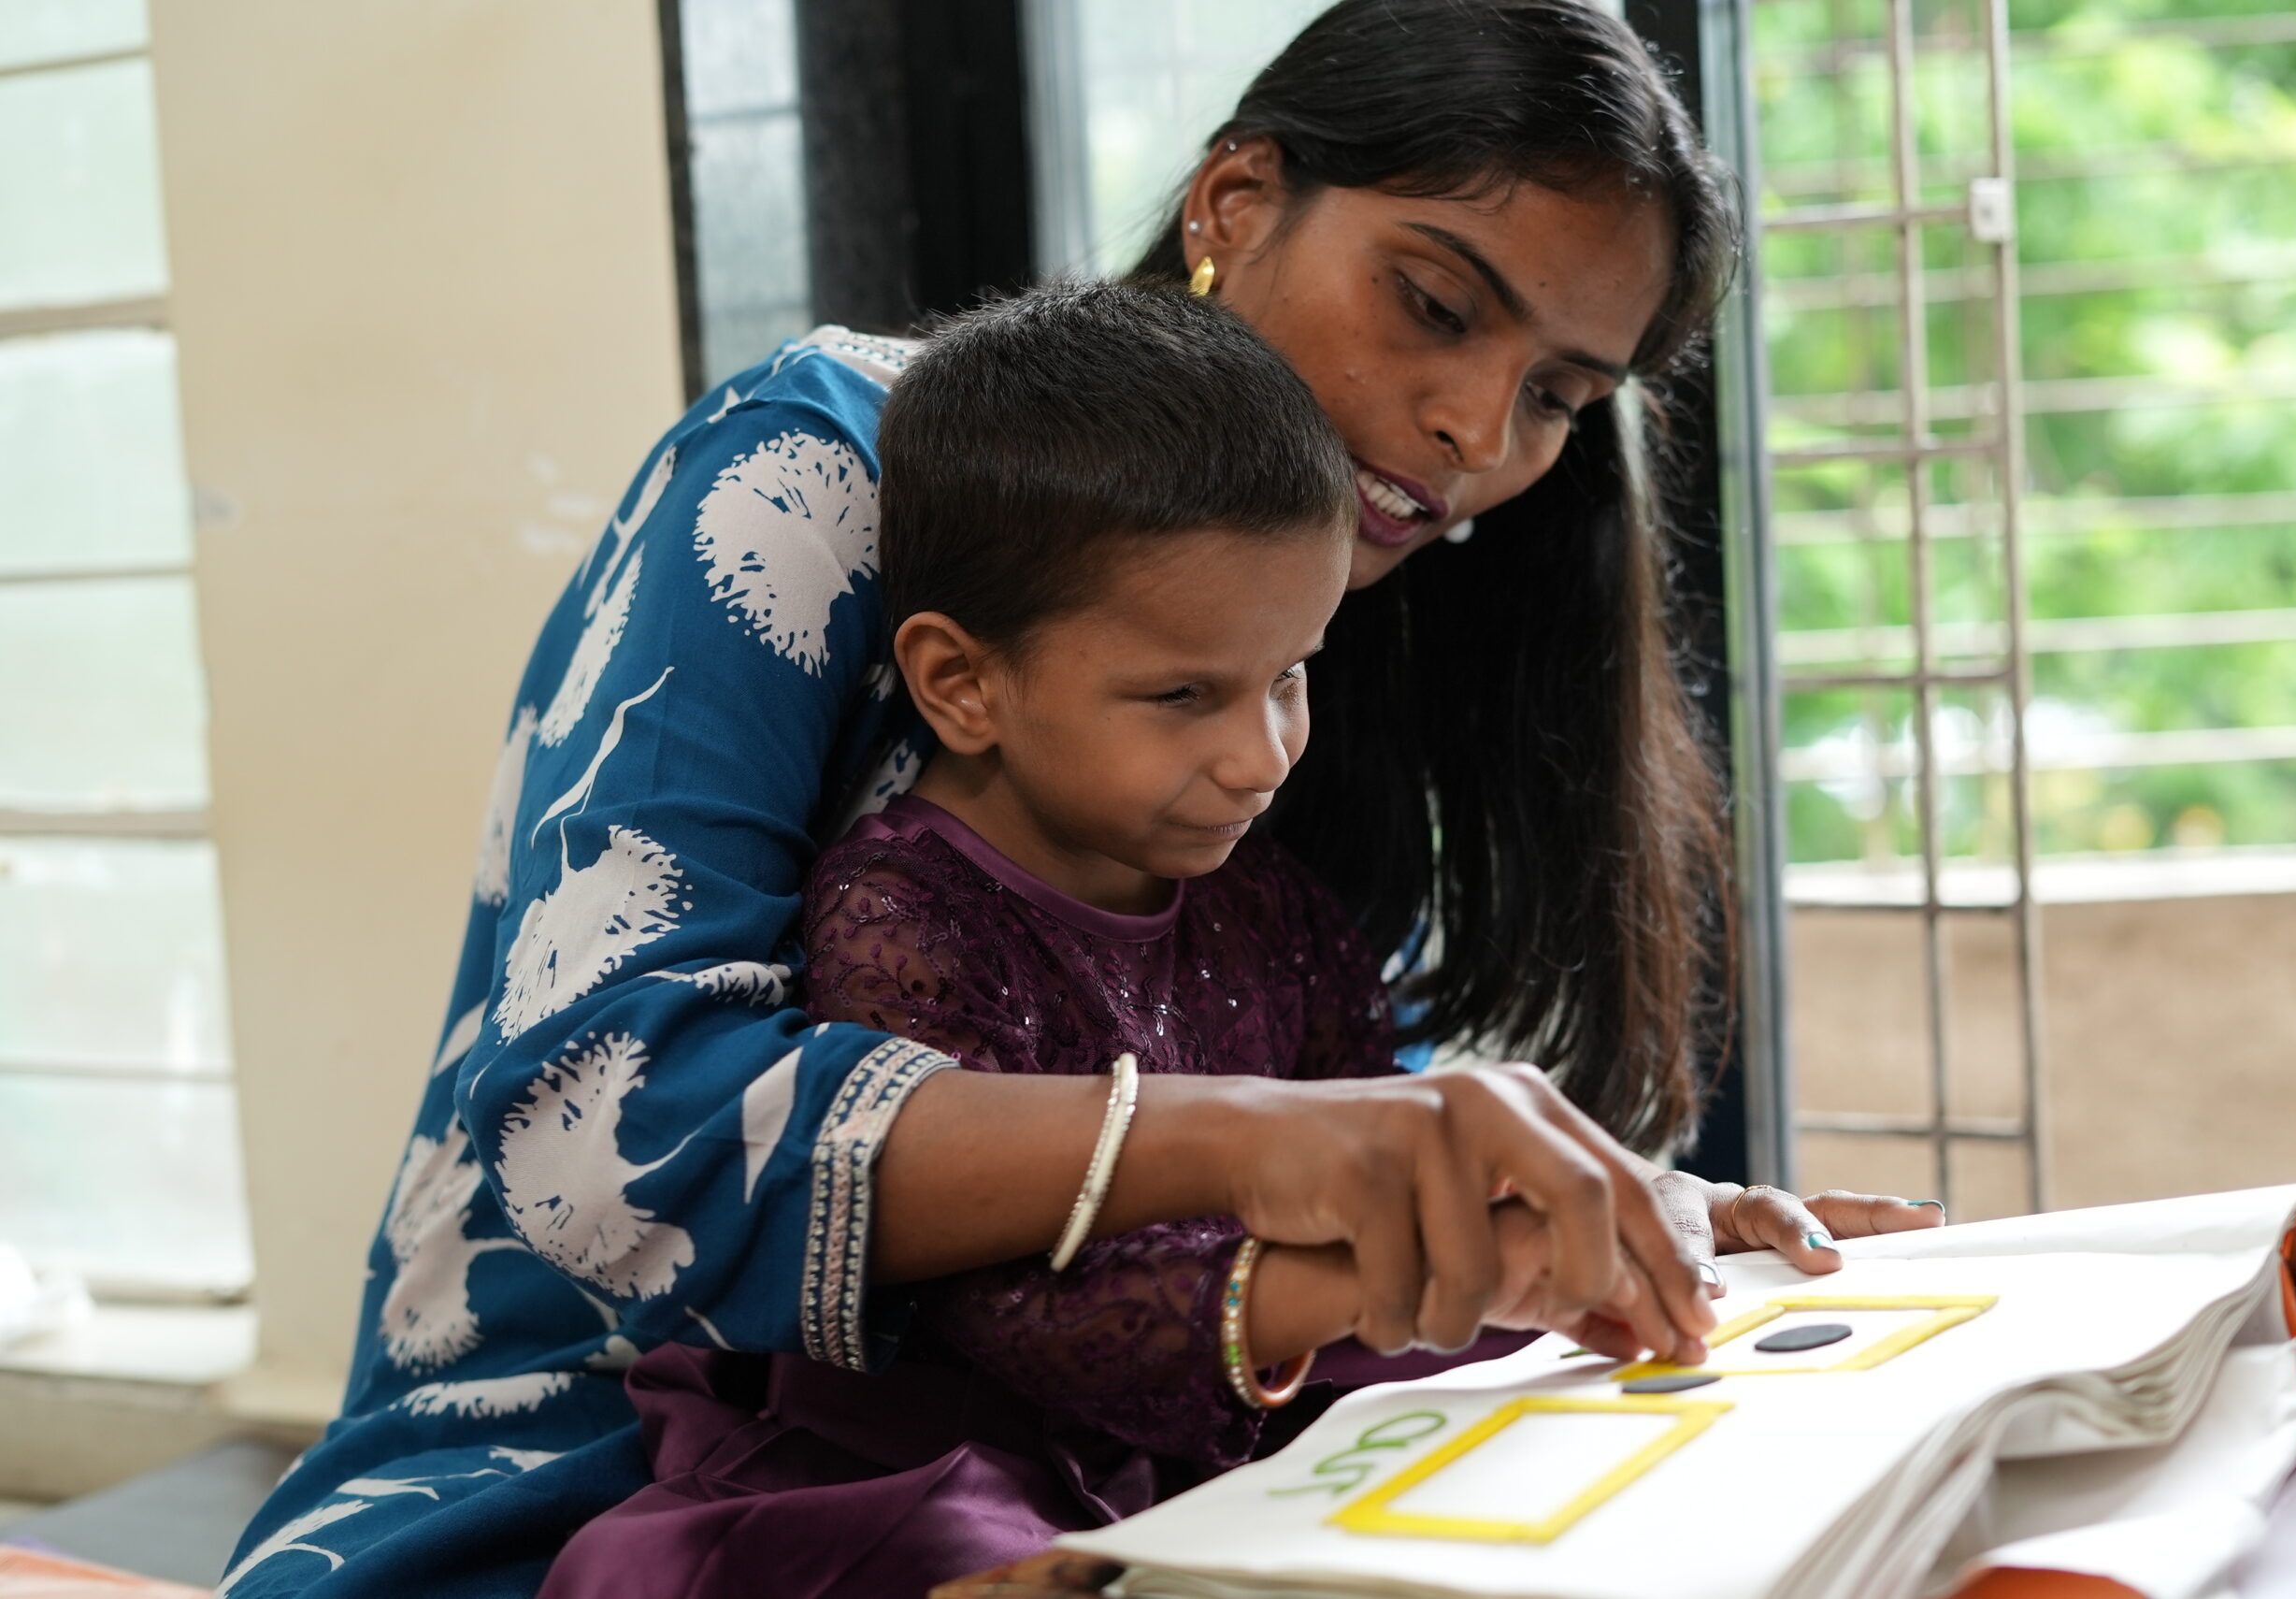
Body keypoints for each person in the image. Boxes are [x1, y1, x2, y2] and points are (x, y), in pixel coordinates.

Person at [221, 5, 1939, 1595]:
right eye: (1435, 301)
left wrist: (1569, 1212)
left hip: (1126, 1494)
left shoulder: (1351, 649)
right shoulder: (812, 479)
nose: (1476, 427)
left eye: (1562, 394)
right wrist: (1256, 1133)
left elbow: (1327, 1143)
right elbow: (608, 1139)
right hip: (575, 1508)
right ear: (1235, 200)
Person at [538, 281, 1694, 1599]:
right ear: (963, 682)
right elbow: (1008, 1319)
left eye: (1291, 674)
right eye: (1184, 695)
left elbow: (1384, 1167)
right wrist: (1380, 1278)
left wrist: (1649, 1222)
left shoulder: (1278, 907)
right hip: (927, 1442)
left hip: (1206, 1417)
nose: (1260, 754)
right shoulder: (902, 915)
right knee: (951, 1537)